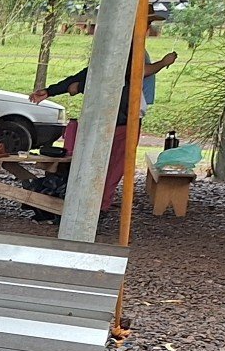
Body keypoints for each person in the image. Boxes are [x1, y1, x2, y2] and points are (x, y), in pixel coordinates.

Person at [30, 38, 178, 221]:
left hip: (124, 121)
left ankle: (98, 208)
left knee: (114, 167)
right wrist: (52, 90)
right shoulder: (112, 48)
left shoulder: (132, 50)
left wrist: (163, 63)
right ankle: (85, 206)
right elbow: (90, 74)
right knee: (93, 164)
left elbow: (135, 72)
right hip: (102, 120)